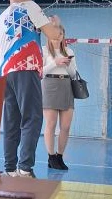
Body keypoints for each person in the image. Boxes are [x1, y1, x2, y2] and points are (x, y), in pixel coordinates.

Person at [0, 0, 62, 178]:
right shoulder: (30, 6)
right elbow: (54, 36)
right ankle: (25, 168)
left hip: (6, 74)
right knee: (32, 118)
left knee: (11, 123)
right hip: (26, 68)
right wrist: (55, 24)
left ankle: (10, 169)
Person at [42, 21, 77, 171]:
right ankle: (51, 157)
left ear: (63, 36)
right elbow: (40, 72)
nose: (57, 37)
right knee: (50, 124)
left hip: (66, 86)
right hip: (50, 86)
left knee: (66, 126)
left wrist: (67, 65)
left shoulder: (69, 51)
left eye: (60, 34)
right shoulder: (44, 50)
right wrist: (55, 63)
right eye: (55, 34)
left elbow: (74, 74)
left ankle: (60, 156)